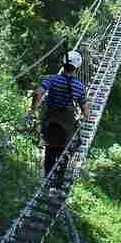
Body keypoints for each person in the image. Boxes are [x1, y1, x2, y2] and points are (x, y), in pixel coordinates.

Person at [31, 50, 89, 191]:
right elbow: (85, 111)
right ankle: (57, 184)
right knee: (66, 151)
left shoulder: (51, 79)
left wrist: (33, 109)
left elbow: (37, 93)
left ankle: (46, 179)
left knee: (50, 149)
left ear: (63, 64)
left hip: (49, 120)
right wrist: (84, 116)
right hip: (66, 124)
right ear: (78, 68)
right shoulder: (79, 87)